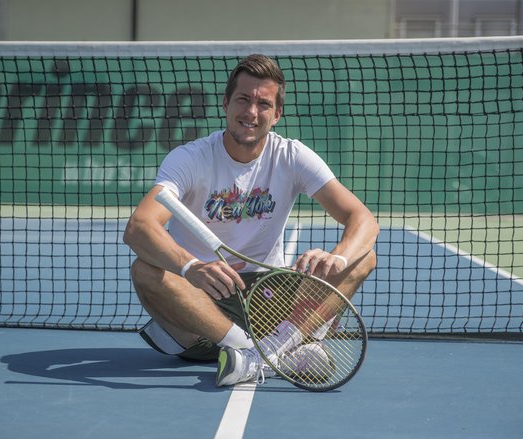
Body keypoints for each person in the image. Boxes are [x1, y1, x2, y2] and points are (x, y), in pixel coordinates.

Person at [123, 54, 379, 387]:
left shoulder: (291, 156)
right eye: (243, 99)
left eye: (263, 103)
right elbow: (139, 227)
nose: (251, 112)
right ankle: (259, 351)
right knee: (144, 269)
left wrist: (338, 256)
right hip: (199, 305)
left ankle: (266, 353)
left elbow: (363, 219)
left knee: (362, 256)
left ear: (277, 115)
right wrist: (191, 267)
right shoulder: (190, 158)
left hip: (267, 298)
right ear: (226, 103)